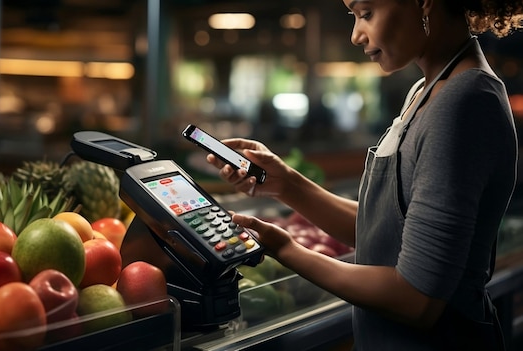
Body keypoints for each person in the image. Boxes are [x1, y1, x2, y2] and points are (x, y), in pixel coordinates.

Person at [206, 1, 522, 350]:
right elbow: (388, 231)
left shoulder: (463, 103)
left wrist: (284, 248)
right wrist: (287, 184)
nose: (356, 35)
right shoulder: (426, 91)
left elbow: (416, 300)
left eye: (366, 13)